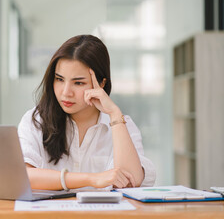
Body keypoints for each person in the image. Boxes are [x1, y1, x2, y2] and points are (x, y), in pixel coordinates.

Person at [18, 35, 155, 191]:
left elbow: (131, 180)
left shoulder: (122, 125)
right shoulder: (36, 120)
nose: (66, 92)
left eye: (78, 82)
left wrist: (115, 114)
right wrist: (92, 179)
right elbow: (22, 176)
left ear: (101, 83)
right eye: (59, 79)